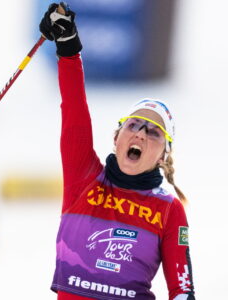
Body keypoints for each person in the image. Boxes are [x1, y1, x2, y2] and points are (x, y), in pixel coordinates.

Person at [39, 2, 195, 300]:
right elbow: (74, 111)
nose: (140, 134)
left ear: (163, 155)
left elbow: (183, 289)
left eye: (153, 132)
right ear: (117, 137)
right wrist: (68, 50)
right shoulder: (84, 178)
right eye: (134, 125)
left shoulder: (168, 210)